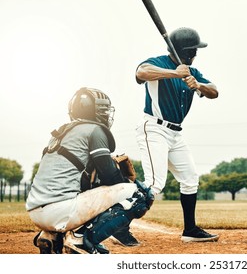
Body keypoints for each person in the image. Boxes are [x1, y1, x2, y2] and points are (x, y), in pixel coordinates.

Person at [26, 87, 153, 254]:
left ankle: (51, 236)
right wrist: (127, 180)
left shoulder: (61, 132)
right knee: (141, 194)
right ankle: (81, 239)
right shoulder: (95, 130)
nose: (107, 114)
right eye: (103, 110)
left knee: (91, 188)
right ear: (94, 111)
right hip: (60, 210)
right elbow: (109, 175)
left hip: (35, 210)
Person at [134, 27, 219, 242]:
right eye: (193, 50)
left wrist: (197, 84)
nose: (196, 54)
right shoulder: (159, 62)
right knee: (155, 184)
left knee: (190, 179)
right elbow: (141, 73)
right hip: (154, 128)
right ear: (185, 51)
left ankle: (190, 230)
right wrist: (175, 74)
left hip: (175, 133)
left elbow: (215, 91)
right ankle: (116, 225)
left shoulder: (192, 71)